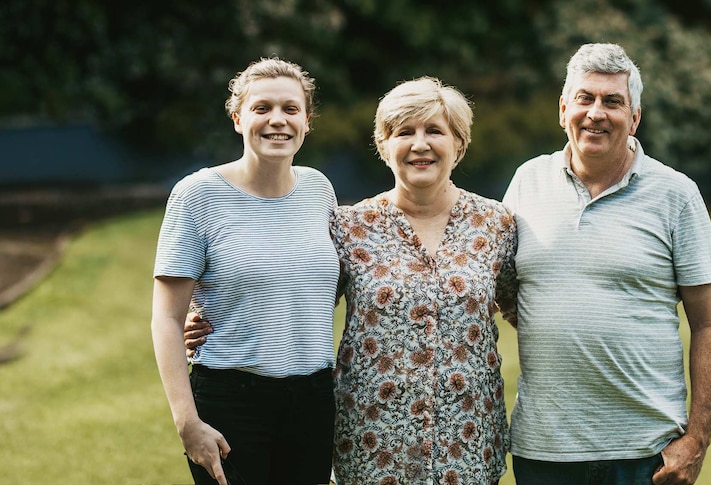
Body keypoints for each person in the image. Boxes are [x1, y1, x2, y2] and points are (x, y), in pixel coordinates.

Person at [184, 76, 518, 485]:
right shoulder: (349, 226)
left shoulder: (497, 224)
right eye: (404, 132)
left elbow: (526, 306)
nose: (420, 144)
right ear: (384, 145)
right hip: (372, 439)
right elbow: (294, 285)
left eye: (434, 131)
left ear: (459, 143)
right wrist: (206, 314)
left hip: (468, 436)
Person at [501, 42, 711, 485]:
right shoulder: (528, 182)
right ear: (563, 108)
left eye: (613, 101)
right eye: (585, 98)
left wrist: (697, 439)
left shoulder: (676, 194)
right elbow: (499, 287)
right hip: (544, 450)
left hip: (646, 453)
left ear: (635, 116)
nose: (596, 113)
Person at [151, 57, 338, 485]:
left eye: (291, 109)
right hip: (232, 401)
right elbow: (165, 318)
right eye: (262, 108)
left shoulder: (319, 188)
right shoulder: (196, 196)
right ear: (238, 119)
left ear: (307, 121)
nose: (278, 120)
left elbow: (311, 283)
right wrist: (187, 423)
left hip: (314, 400)